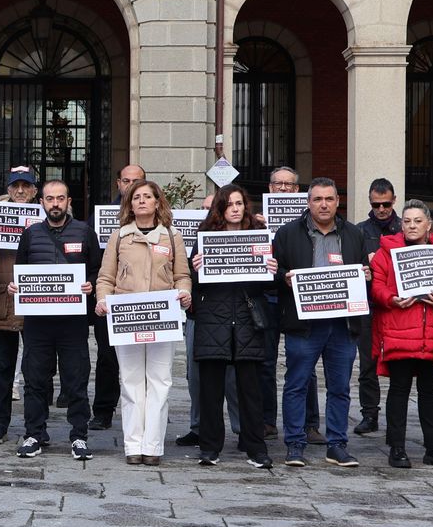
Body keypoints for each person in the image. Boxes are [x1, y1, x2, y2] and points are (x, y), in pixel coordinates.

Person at [271, 176, 371, 468]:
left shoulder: (353, 234)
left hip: (342, 324)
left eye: (329, 199)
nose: (323, 204)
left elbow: (364, 272)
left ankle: (337, 445)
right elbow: (274, 274)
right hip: (304, 325)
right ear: (308, 202)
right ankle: (295, 444)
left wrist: (366, 276)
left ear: (338, 202)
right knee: (296, 384)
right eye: (317, 199)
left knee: (340, 386)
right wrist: (284, 279)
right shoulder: (287, 233)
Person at [96, 179, 191, 465]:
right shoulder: (120, 237)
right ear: (129, 204)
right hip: (128, 317)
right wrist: (103, 299)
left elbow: (182, 275)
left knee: (160, 381)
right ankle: (133, 445)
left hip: (162, 317)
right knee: (131, 381)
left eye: (147, 196)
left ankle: (153, 446)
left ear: (157, 202)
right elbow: (106, 277)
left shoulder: (171, 236)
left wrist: (185, 292)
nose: (141, 201)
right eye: (136, 197)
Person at [9, 177, 101, 459]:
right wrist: (16, 286)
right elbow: (20, 270)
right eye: (50, 199)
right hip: (38, 322)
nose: (55, 204)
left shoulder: (84, 232)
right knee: (35, 378)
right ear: (42, 203)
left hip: (72, 322)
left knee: (76, 378)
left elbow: (98, 270)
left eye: (60, 198)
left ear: (69, 202)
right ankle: (34, 434)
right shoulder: (31, 234)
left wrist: (91, 284)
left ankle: (79, 436)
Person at [188, 184, 275, 468]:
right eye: (230, 204)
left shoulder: (258, 237)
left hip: (247, 322)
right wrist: (196, 268)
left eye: (239, 203)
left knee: (250, 389)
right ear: (221, 210)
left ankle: (255, 448)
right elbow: (194, 282)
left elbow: (265, 286)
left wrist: (271, 271)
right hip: (214, 320)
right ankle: (210, 448)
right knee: (210, 389)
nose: (236, 209)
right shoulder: (205, 238)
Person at [371, 200, 433, 469]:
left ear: (428, 224)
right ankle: (397, 448)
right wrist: (390, 298)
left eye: (417, 221)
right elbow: (376, 286)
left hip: (431, 333)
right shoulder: (386, 253)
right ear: (401, 225)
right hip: (399, 331)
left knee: (429, 392)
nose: (412, 226)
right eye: (407, 221)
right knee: (398, 391)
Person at [0, 166, 36, 444]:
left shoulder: (44, 218)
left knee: (36, 367)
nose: (21, 191)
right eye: (16, 187)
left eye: (26, 186)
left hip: (37, 301)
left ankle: (35, 426)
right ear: (9, 191)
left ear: (35, 191)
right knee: (4, 367)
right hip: (2, 298)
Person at [259, 165, 311, 440]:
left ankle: (309, 423)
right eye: (278, 184)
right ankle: (267, 420)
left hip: (298, 296)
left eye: (289, 185)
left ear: (298, 190)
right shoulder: (257, 221)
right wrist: (258, 229)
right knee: (266, 362)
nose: (282, 188)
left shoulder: (309, 222)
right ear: (269, 188)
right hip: (268, 296)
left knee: (304, 360)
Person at [93, 163, 146, 430]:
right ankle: (103, 411)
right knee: (107, 357)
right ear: (118, 184)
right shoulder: (102, 216)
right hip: (112, 298)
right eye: (126, 181)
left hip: (147, 299)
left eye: (137, 181)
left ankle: (141, 412)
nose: (131, 185)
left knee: (144, 359)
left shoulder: (157, 216)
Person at [351, 177, 400, 436]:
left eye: (386, 204)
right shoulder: (359, 231)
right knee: (368, 362)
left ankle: (395, 414)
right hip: (368, 303)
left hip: (396, 306)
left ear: (394, 201)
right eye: (376, 204)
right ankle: (369, 413)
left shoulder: (406, 228)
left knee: (398, 362)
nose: (381, 209)